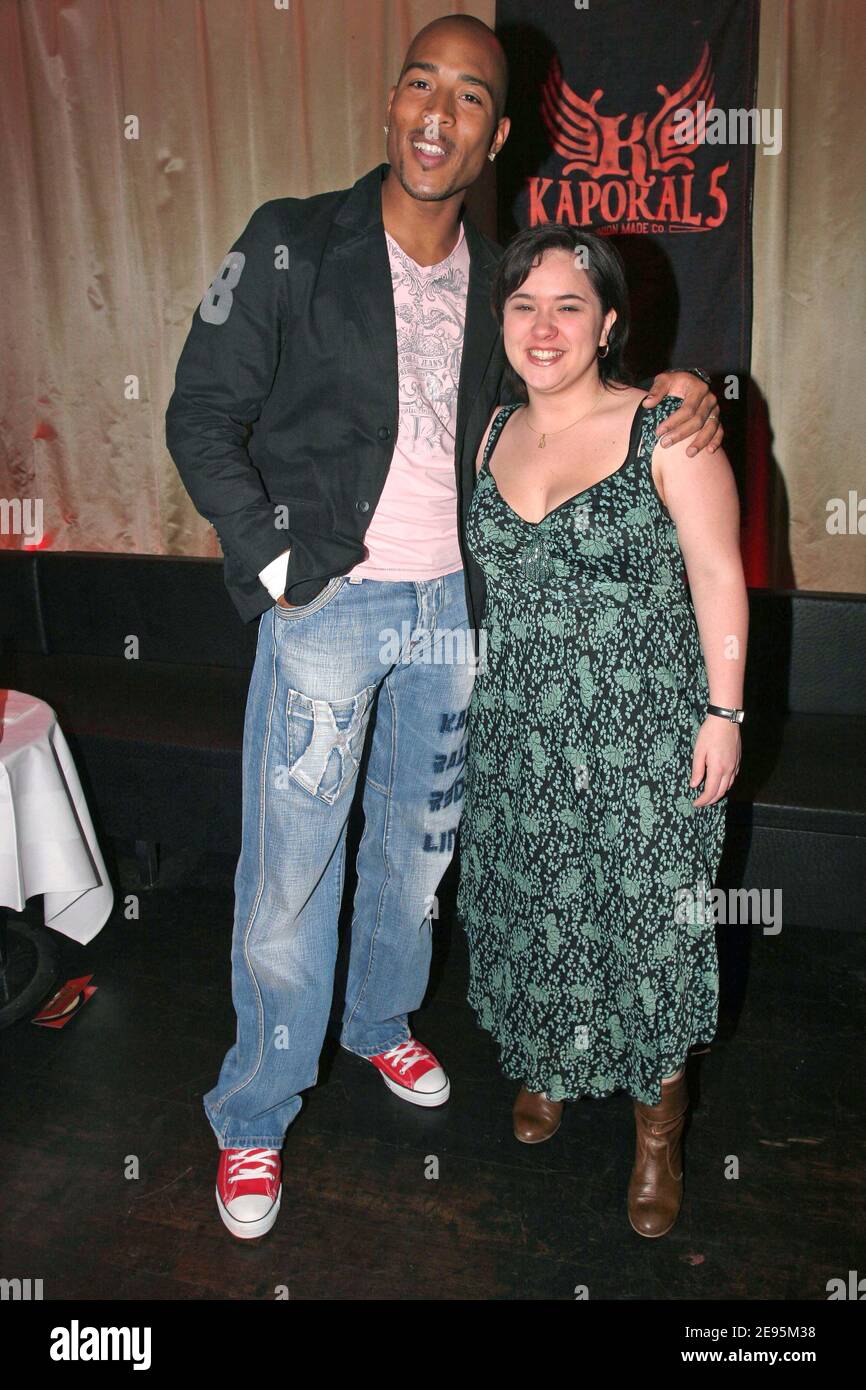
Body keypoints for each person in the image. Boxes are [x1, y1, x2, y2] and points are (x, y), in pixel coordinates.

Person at [165, 13, 723, 1240]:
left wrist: (684, 388)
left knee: (413, 862)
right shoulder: (289, 240)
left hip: (451, 619)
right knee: (287, 877)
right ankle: (254, 1112)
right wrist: (272, 563)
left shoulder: (497, 281)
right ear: (389, 103)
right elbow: (198, 412)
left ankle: (375, 1024)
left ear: (496, 134)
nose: (437, 109)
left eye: (468, 96)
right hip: (325, 605)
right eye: (420, 82)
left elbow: (579, 382)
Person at [456, 223, 748, 1238]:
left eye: (568, 305)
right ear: (498, 320)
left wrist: (723, 712)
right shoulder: (490, 431)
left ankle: (656, 1135)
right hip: (519, 729)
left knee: (648, 934)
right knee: (531, 904)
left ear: (608, 323)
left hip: (643, 736)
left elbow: (717, 573)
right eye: (523, 304)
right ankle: (546, 1062)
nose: (543, 326)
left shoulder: (663, 426)